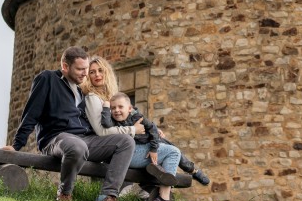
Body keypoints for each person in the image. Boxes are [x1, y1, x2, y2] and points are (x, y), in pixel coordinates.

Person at [2, 46, 135, 201]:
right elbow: (31, 113)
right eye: (80, 69)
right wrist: (16, 144)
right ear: (65, 66)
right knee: (77, 146)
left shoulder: (81, 91)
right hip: (56, 139)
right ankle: (64, 193)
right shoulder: (48, 79)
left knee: (126, 141)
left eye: (86, 69)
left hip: (85, 139)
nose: (86, 74)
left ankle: (107, 196)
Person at [82, 56, 210, 186]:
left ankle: (186, 171)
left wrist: (150, 128)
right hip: (116, 146)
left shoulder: (112, 95)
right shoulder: (93, 98)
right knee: (170, 150)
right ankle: (187, 173)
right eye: (92, 72)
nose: (97, 75)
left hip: (128, 140)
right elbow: (102, 130)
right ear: (88, 76)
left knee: (160, 140)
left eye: (100, 70)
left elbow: (134, 114)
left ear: (107, 72)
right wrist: (133, 129)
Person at [102, 92, 181, 201]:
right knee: (173, 152)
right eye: (113, 108)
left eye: (120, 107)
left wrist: (154, 148)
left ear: (130, 108)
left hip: (134, 153)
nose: (116, 110)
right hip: (127, 154)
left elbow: (151, 127)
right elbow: (106, 123)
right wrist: (106, 108)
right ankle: (164, 198)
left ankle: (158, 176)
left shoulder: (136, 117)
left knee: (168, 151)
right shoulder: (112, 121)